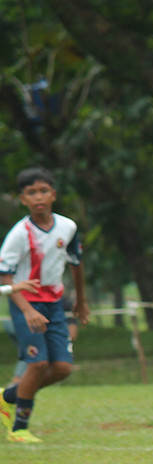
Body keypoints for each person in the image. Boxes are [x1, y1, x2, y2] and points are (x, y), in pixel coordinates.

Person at [0, 167, 88, 443]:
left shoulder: (67, 227)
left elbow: (76, 264)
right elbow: (5, 277)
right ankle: (19, 429)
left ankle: (7, 397)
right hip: (26, 303)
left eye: (43, 191)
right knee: (37, 365)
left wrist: (81, 302)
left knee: (62, 368)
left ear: (53, 195)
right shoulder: (19, 234)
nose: (38, 197)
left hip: (55, 302)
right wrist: (26, 310)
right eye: (31, 193)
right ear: (23, 199)